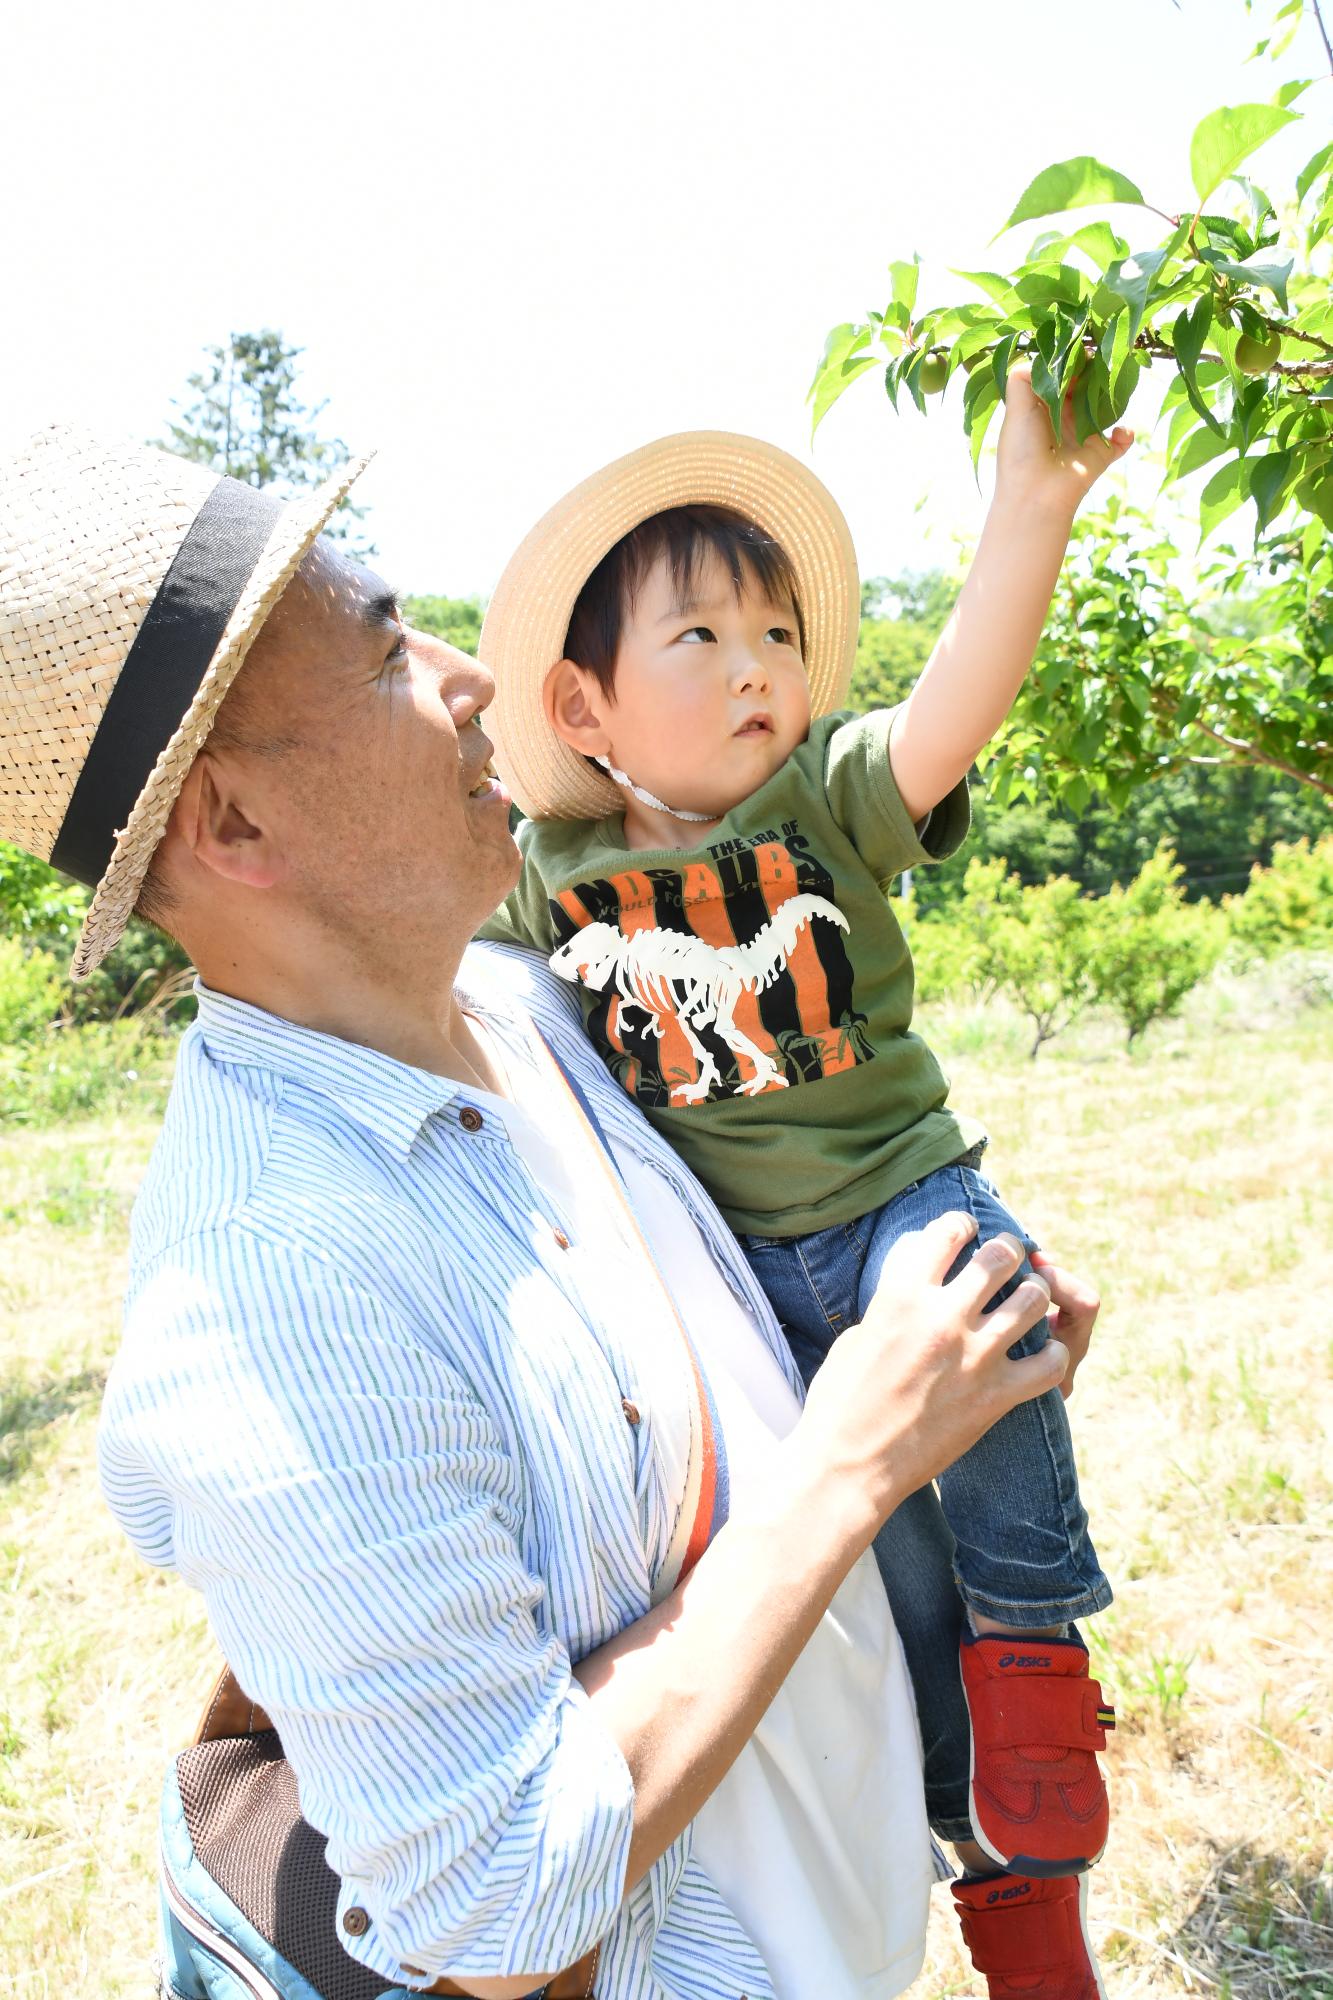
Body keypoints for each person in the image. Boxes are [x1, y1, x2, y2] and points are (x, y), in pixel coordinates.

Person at [1, 423, 1100, 2000]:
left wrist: (952, 1352)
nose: (467, 680)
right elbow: (497, 1912)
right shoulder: (271, 1289)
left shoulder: (526, 1004)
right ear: (234, 827)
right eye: (387, 651)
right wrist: (862, 1450)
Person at [475, 385, 1128, 1960]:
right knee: (885, 1574)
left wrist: (1026, 516)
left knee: (989, 1330)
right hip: (738, 1281)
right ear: (581, 711)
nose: (757, 663)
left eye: (775, 632)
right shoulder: (543, 884)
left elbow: (953, 705)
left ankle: (1037, 1659)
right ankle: (1000, 1879)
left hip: (898, 1191)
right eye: (697, 638)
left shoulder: (824, 796)